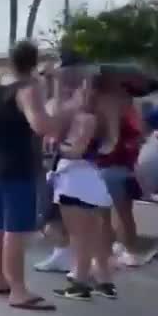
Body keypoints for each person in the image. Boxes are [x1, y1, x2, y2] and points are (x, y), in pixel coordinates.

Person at [0, 41, 60, 311]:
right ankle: (18, 290)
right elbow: (40, 125)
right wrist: (61, 116)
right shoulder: (28, 90)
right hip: (19, 165)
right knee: (15, 230)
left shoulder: (0, 88)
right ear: (35, 61)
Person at [49, 75, 119, 301]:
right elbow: (107, 148)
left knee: (79, 235)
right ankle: (104, 280)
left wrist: (57, 145)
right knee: (94, 232)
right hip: (91, 177)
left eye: (81, 88)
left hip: (74, 178)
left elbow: (75, 150)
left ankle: (80, 282)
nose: (77, 91)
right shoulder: (106, 118)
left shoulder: (85, 119)